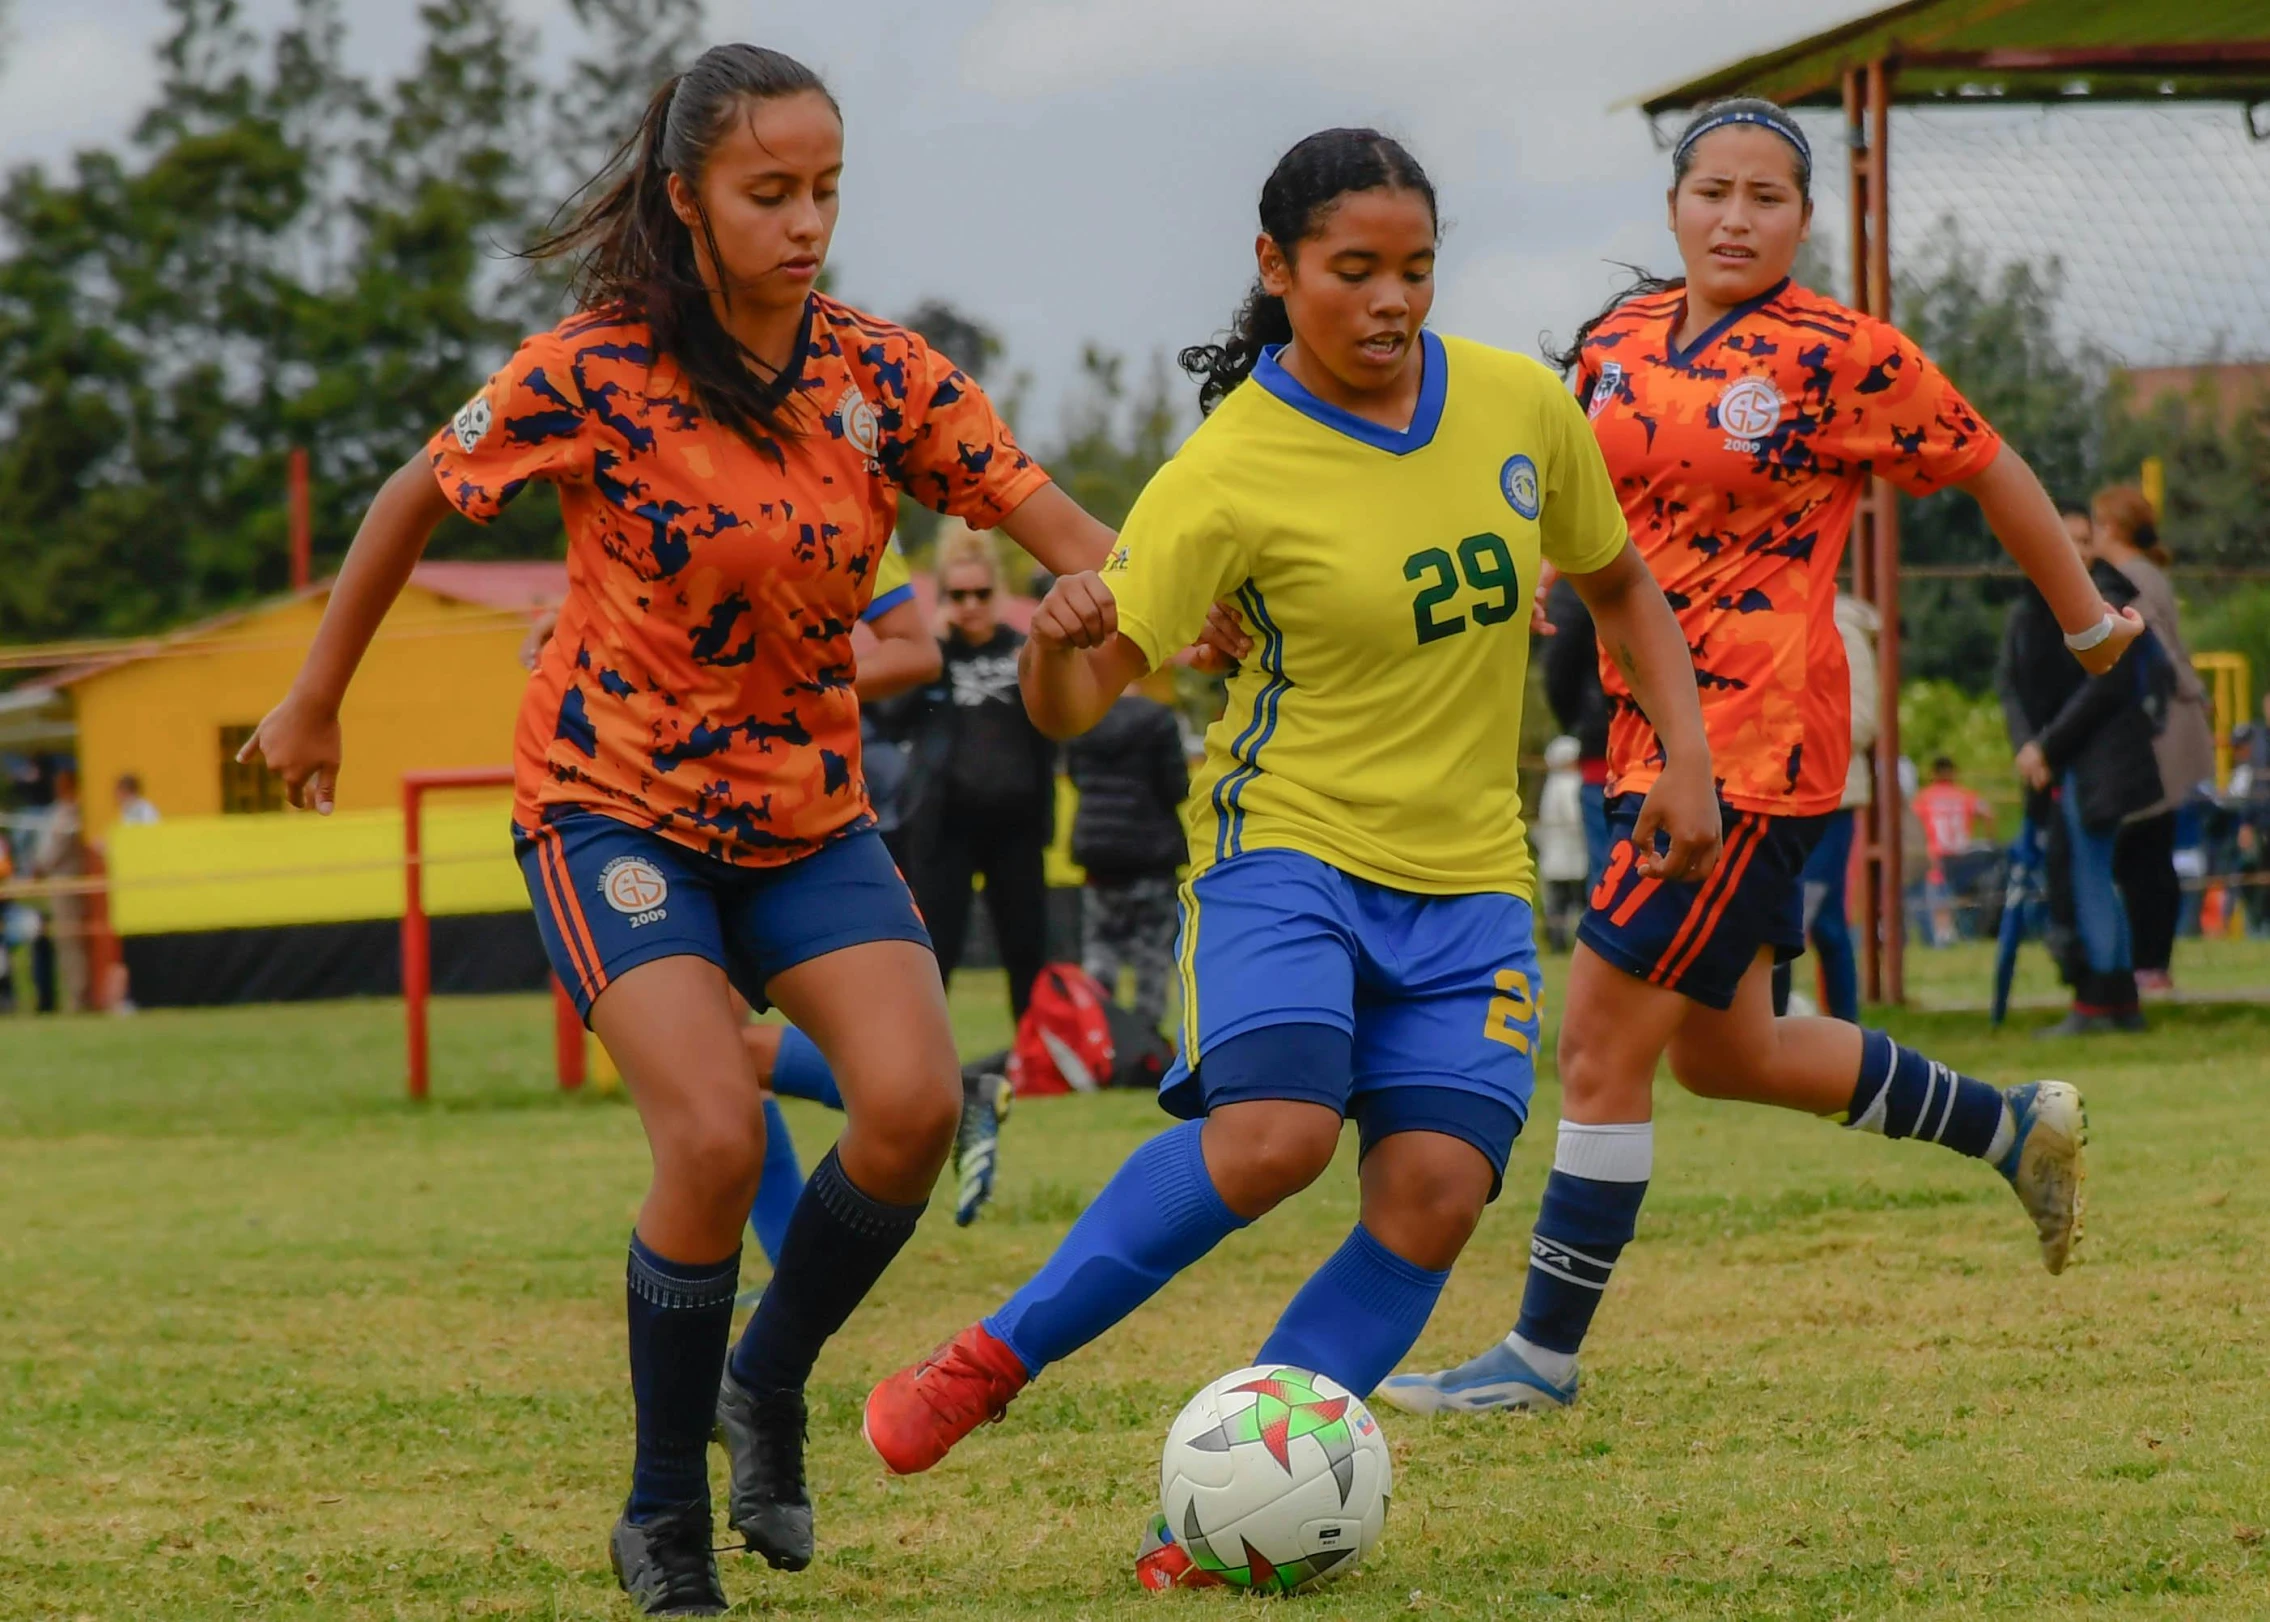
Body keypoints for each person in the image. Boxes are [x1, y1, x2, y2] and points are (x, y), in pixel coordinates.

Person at [235, 45, 1127, 1616]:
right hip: (612, 801)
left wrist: (1149, 595)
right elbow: (409, 499)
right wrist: (315, 700)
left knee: (913, 1105)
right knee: (713, 1132)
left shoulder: (885, 377)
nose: (804, 222)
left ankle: (763, 1384)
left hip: (808, 818)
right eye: (766, 191)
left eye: (826, 190)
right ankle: (662, 1517)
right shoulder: (595, 366)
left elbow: (1074, 539)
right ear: (688, 200)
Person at [858, 127, 1718, 1508]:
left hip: (1472, 883)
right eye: (1355, 269)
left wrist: (1680, 753)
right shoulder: (1225, 469)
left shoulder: (1516, 406)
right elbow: (1079, 703)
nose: (1391, 300)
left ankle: (1228, 1508)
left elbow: (1617, 585)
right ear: (1277, 266)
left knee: (1436, 1191)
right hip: (1290, 854)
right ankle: (984, 1361)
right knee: (1274, 1137)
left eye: (1417, 270)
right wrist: (1052, 638)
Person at [1377, 96, 2135, 1420]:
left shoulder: (1841, 356)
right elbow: (1564, 499)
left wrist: (2085, 623)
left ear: (1803, 219)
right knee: (1728, 1053)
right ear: (1673, 205)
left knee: (1599, 1042)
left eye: (1765, 195)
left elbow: (1989, 464)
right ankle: (2013, 1128)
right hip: (1638, 742)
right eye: (1711, 190)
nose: (1735, 214)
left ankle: (1538, 1355)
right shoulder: (1612, 340)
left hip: (1747, 754)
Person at [1999, 507, 2161, 1036]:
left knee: (2091, 877)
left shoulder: (2106, 599)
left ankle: (2102, 1001)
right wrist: (2031, 745)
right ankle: (2115, 1000)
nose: (2077, 549)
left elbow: (2105, 687)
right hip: (2069, 760)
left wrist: (2045, 749)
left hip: (2098, 762)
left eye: (2084, 539)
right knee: (2089, 877)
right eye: (2066, 539)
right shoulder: (2031, 609)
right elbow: (2012, 684)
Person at [905, 525, 1060, 1020]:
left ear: (996, 591)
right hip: (945, 823)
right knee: (936, 949)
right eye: (958, 594)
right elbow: (891, 718)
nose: (970, 603)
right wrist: (933, 647)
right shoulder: (933, 656)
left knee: (1025, 949)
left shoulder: (1021, 649)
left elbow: (1053, 726)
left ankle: (1035, 1060)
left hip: (1016, 822)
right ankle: (927, 1064)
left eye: (981, 592)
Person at [2093, 484, 2215, 993]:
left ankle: (2147, 962)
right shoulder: (2152, 574)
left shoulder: (2134, 579)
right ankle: (2148, 961)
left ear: (2114, 529)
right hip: (2171, 722)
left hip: (2160, 729)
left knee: (2143, 848)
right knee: (2149, 849)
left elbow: (2160, 652)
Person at [1066, 664, 1190, 1030]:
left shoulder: (1082, 717)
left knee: (1100, 946)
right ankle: (1144, 1036)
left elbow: (1075, 776)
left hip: (1097, 850)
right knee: (1150, 952)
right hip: (1150, 852)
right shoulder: (1158, 719)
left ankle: (1100, 1032)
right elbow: (1176, 786)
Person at [1541, 573, 1615, 887]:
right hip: (1696, 753)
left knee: (1607, 882)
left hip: (1604, 746)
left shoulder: (1579, 576)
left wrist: (1580, 722)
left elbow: (1559, 662)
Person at [1912, 756, 1992, 946]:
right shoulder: (1964, 795)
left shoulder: (1925, 797)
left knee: (1938, 892)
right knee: (1961, 894)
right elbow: (1988, 813)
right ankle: (1965, 933)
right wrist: (1989, 839)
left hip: (1937, 852)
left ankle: (1943, 933)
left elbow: (1914, 822)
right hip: (1961, 852)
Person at [1535, 735, 1590, 952]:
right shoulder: (1570, 783)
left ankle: (1556, 941)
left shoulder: (1552, 783)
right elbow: (1575, 819)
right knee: (1578, 901)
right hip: (1573, 855)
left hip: (1554, 856)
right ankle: (1573, 944)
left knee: (1557, 904)